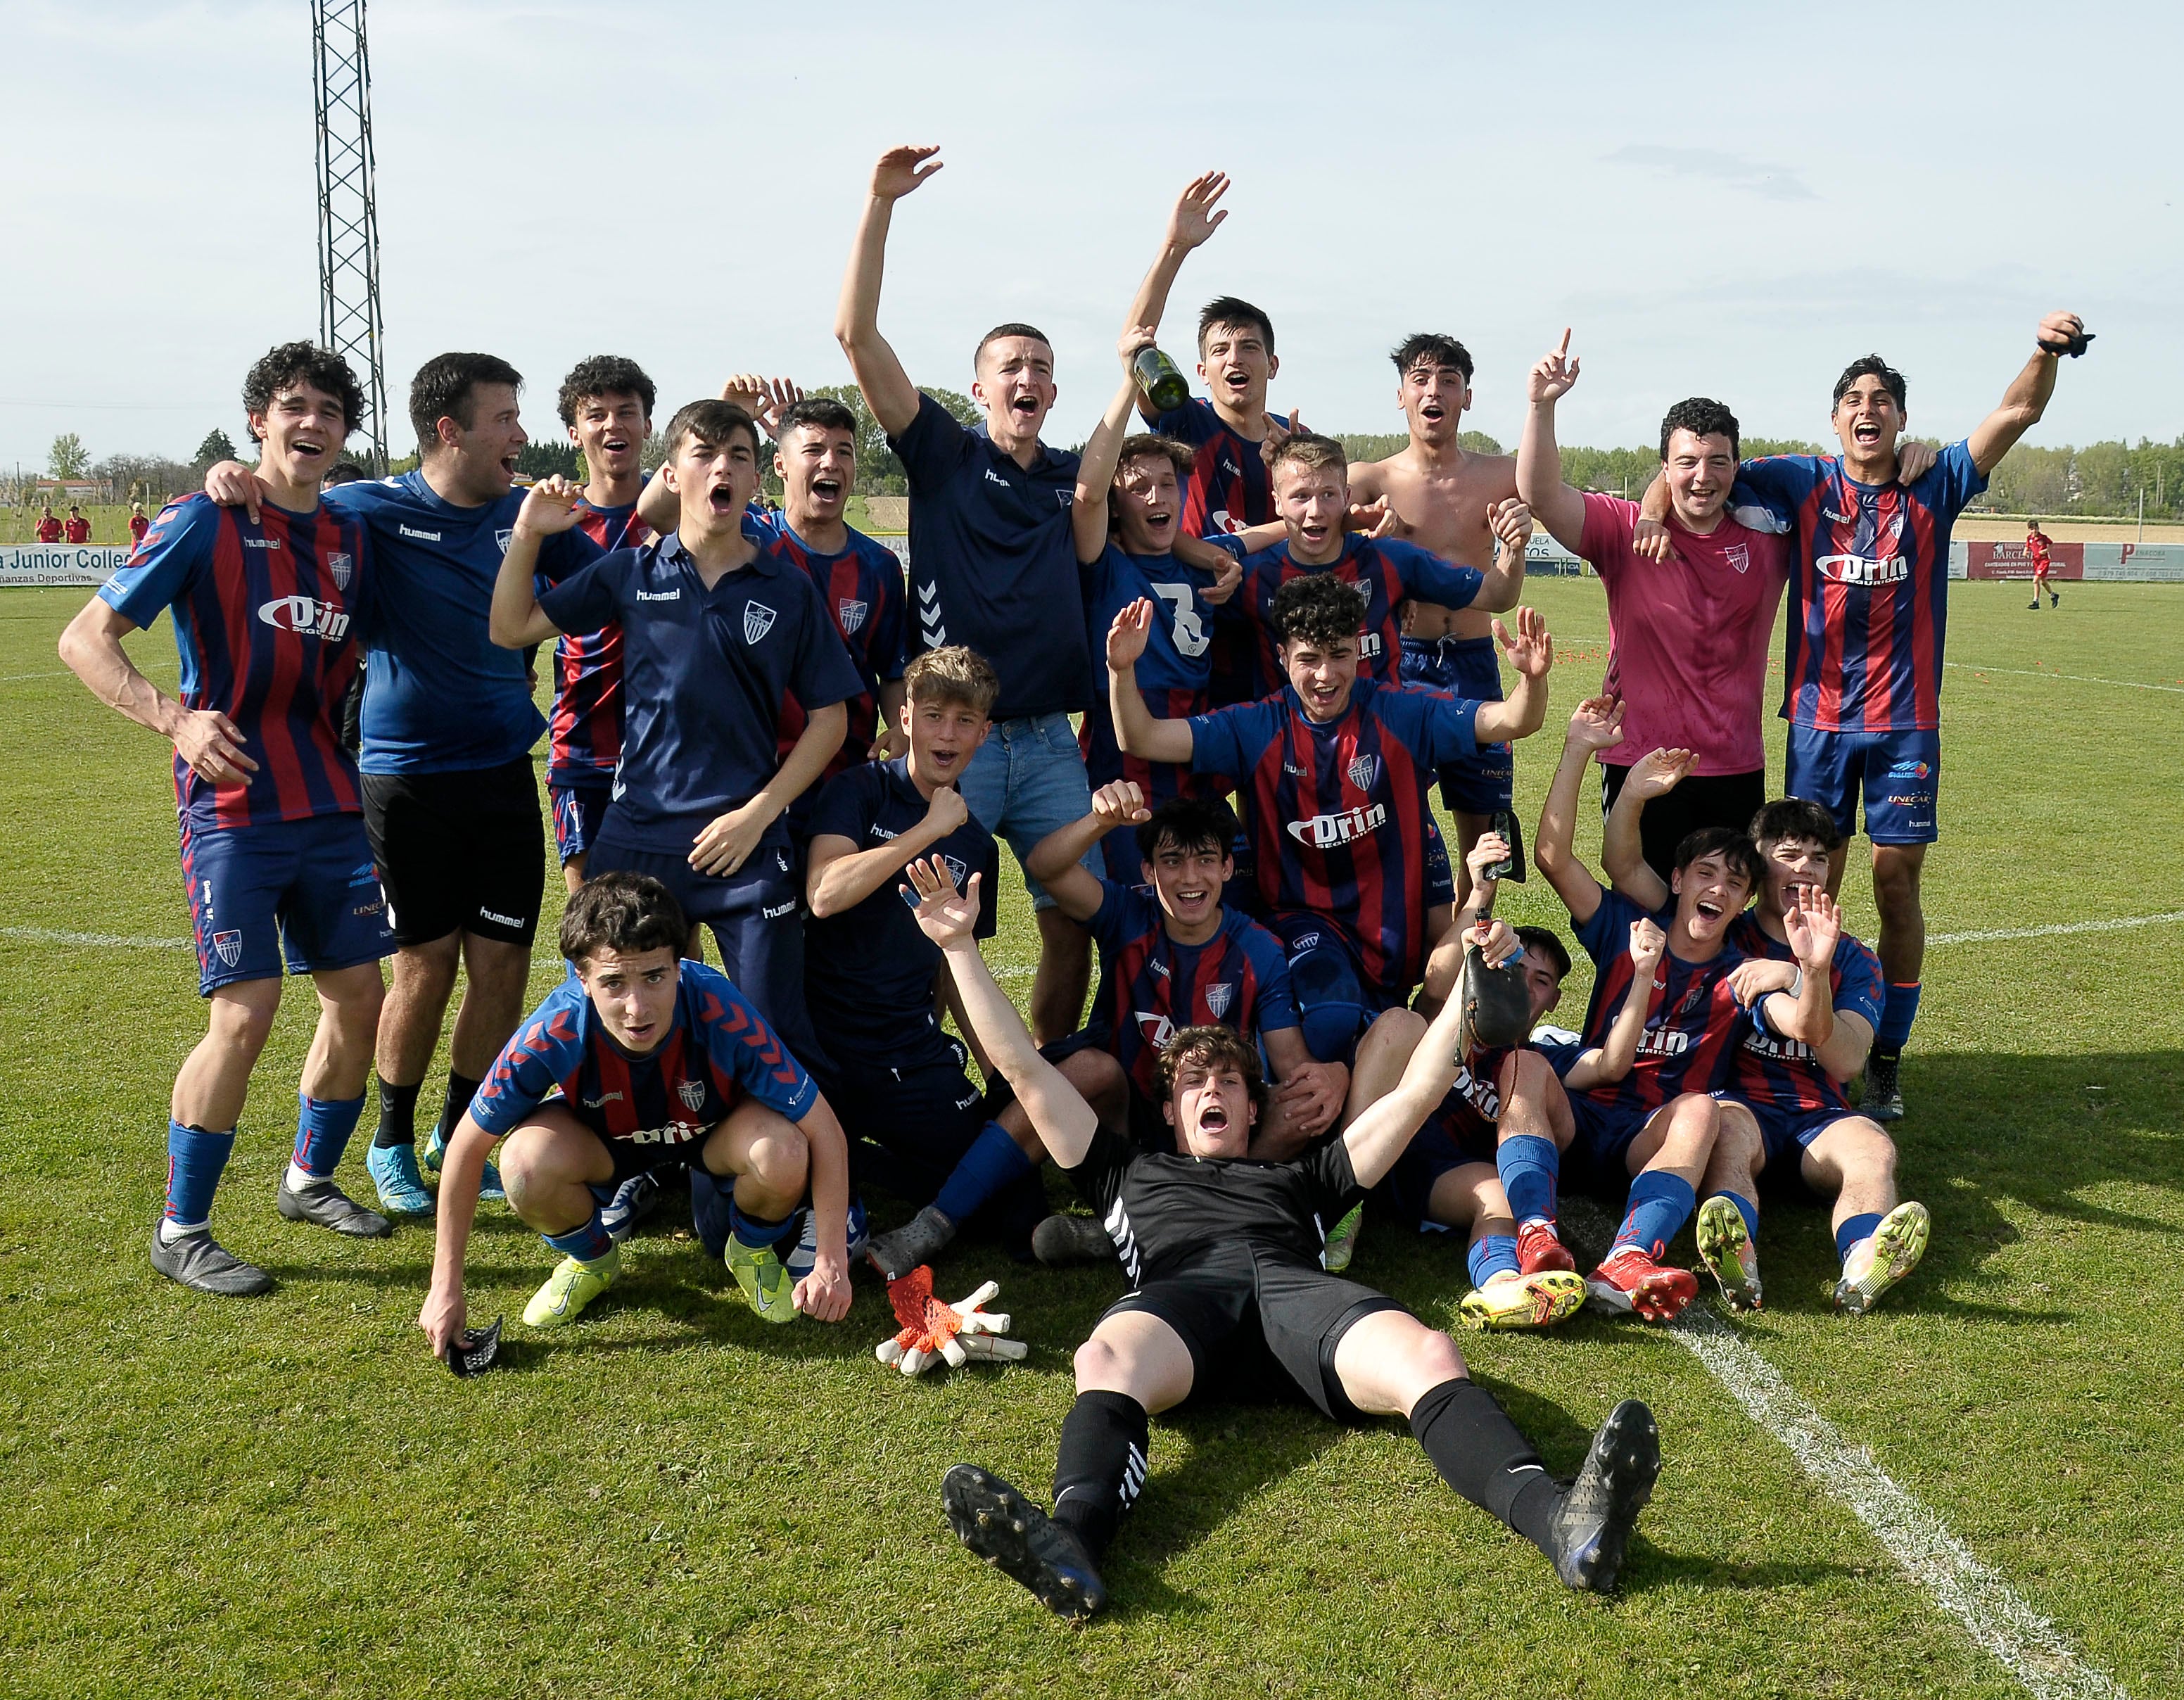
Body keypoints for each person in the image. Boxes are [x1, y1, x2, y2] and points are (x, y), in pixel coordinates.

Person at [904, 854, 1663, 1618]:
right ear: (1169, 1112)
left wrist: (1469, 976)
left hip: (1298, 1295)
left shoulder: (1305, 1178)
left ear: (1250, 1107)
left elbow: (1417, 1091)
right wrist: (960, 949)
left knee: (1429, 1353)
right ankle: (1070, 1542)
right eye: (1193, 1084)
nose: (1210, 1091)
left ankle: (1563, 1522)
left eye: (1228, 1082)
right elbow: (1027, 1073)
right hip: (1180, 1301)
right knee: (1103, 1357)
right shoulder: (1121, 1172)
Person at [1643, 311, 2088, 1121]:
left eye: (1882, 397)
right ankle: (1788, 1035)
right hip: (1816, 723)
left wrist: (2043, 350)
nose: (1867, 407)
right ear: (1835, 415)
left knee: (1893, 883)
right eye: (1853, 395)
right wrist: (1645, 511)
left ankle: (1881, 1056)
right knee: (1798, 884)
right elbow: (1691, 466)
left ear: (1899, 418)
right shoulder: (1799, 480)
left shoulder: (1935, 481)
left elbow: (2017, 412)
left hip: (1904, 725)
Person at [205, 352, 607, 1218]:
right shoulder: (372, 509)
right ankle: (390, 1138)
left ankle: (459, 1134)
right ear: (448, 430)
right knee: (422, 966)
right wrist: (230, 473)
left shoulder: (530, 516)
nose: (520, 434)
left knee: (500, 966)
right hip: (402, 779)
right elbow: (288, 499)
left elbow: (608, 561)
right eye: (503, 418)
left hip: (503, 772)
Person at [58, 340, 392, 1294]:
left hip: (330, 802)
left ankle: (309, 1179)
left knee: (358, 999)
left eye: (330, 410)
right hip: (235, 811)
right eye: (293, 406)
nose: (311, 423)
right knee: (245, 1012)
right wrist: (175, 719)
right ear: (259, 419)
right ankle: (183, 1227)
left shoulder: (351, 536)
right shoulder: (204, 519)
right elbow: (85, 640)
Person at [491, 401, 858, 1071]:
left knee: (772, 1032)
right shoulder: (632, 571)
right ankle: (639, 1159)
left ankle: (800, 1169)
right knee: (620, 1019)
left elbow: (830, 720)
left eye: (739, 456)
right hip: (638, 838)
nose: (722, 467)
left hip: (745, 840)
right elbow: (511, 628)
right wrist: (526, 534)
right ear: (672, 474)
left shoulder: (788, 588)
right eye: (704, 453)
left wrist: (759, 814)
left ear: (756, 483)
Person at [834, 142, 1098, 1045]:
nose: (1024, 379)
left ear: (1054, 391)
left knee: (1073, 919)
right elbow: (857, 339)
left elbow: (1162, 492)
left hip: (1052, 742)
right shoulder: (945, 458)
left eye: (1039, 368)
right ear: (978, 385)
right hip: (957, 738)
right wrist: (880, 204)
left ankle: (1044, 1072)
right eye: (1008, 367)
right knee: (931, 913)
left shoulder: (1074, 478)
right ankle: (950, 1069)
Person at [1110, 573, 1552, 1065]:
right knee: (1330, 1018)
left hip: (1389, 945)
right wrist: (1121, 672)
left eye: (1339, 655)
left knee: (1390, 1038)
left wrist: (1532, 680)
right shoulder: (1257, 727)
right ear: (1282, 658)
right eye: (1308, 659)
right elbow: (1142, 738)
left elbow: (1514, 720)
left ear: (1359, 654)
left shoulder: (1400, 716)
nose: (1326, 675)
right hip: (1304, 927)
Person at [416, 872, 856, 1347]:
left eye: (654, 977)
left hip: (713, 1135)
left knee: (785, 1149)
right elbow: (464, 1148)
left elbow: (824, 1130)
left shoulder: (719, 1009)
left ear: (680, 965)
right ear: (581, 978)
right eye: (613, 983)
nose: (636, 1007)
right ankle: (592, 1259)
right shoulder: (554, 1029)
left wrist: (830, 1259)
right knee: (522, 1164)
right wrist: (445, 1286)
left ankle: (749, 1251)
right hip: (606, 1141)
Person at [1604, 761, 1931, 1314]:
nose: (1806, 869)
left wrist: (1803, 973)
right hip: (1740, 1104)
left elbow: (1848, 1060)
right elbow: (1625, 867)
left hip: (1818, 1115)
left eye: (1820, 858)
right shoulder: (1723, 931)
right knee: (1726, 1137)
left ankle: (1863, 1262)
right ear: (1758, 868)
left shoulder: (1854, 958)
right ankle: (1739, 1260)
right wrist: (1633, 791)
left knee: (1874, 1148)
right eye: (1789, 855)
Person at [1534, 694, 1814, 1321]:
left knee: (1698, 1111)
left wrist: (1800, 973)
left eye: (1735, 883)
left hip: (1649, 1139)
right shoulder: (1627, 929)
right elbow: (1554, 859)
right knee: (1526, 1070)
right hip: (1579, 1117)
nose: (1718, 888)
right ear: (1680, 879)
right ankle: (1526, 1238)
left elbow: (1807, 1027)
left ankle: (1628, 1258)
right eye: (1707, 873)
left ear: (1744, 904)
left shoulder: (1743, 974)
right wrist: (1581, 752)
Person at [803, 645, 1043, 1280]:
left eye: (965, 721)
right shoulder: (855, 791)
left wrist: (996, 1070)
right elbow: (824, 895)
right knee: (737, 1207)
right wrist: (925, 831)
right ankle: (844, 1162)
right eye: (933, 714)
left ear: (985, 733)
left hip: (906, 1054)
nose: (947, 734)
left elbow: (953, 969)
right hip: (821, 1050)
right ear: (904, 716)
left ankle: (864, 1167)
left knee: (1015, 1201)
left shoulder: (975, 843)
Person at [1517, 331, 1791, 883]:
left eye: (1718, 461)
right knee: (1642, 912)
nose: (1703, 476)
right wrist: (1541, 406)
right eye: (1687, 461)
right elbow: (1541, 494)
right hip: (1637, 759)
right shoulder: (1624, 530)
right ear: (1664, 468)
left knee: (1721, 920)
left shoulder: (1770, 536)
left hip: (1735, 765)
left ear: (1738, 467)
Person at [1371, 832, 1663, 1331]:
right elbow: (1438, 980)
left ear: (1554, 1001)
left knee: (1497, 1194)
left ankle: (1507, 1285)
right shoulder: (1458, 1012)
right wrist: (1480, 896)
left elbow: (1612, 1064)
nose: (1527, 986)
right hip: (1402, 1153)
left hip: (1461, 1174)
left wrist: (1642, 975)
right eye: (1518, 970)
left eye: (1542, 981)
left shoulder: (1543, 1055)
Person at [1349, 334, 1528, 903]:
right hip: (1401, 665)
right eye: (1421, 379)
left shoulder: (1506, 474)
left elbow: (1590, 509)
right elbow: (1304, 507)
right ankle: (1402, 944)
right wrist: (1355, 522)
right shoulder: (1371, 479)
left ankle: (1468, 954)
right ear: (1400, 395)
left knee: (1485, 833)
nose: (1434, 390)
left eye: (1448, 380)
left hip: (1474, 665)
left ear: (1467, 397)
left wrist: (1650, 512)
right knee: (1385, 817)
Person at [1072, 329, 1243, 882]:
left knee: (1222, 888)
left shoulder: (1203, 562)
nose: (1156, 497)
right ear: (1118, 504)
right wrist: (1129, 379)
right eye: (1139, 486)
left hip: (1195, 746)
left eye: (1168, 484)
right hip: (1124, 749)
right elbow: (1089, 495)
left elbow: (1265, 537)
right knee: (1139, 894)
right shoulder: (1107, 562)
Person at [1218, 433, 1525, 704]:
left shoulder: (1390, 560)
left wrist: (1513, 548)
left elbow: (1496, 596)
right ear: (1277, 503)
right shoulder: (1251, 576)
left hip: (1380, 751)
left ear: (1347, 497)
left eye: (1328, 495)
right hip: (1287, 758)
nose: (1315, 511)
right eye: (1301, 497)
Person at [1119, 172, 1290, 540]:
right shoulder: (1189, 421)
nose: (1234, 359)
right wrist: (1174, 248)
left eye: (1249, 347)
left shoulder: (1292, 437)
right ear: (1202, 371)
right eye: (1220, 351)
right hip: (1203, 593)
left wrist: (1292, 464)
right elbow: (1135, 347)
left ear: (1272, 365)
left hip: (1273, 594)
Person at [545, 354, 658, 893]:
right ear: (574, 433)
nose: (613, 424)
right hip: (584, 747)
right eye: (596, 414)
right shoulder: (552, 520)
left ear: (648, 426)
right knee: (591, 911)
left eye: (626, 412)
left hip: (669, 750)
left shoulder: (682, 514)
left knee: (672, 915)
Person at [2026, 519, 2058, 609]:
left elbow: (2051, 544)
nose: (2034, 531)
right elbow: (2027, 546)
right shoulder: (2029, 538)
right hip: (2036, 561)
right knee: (2043, 581)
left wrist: (2046, 550)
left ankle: (2036, 602)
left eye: (2036, 529)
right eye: (2032, 529)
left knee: (2035, 581)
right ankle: (2053, 596)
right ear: (2029, 530)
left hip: (2044, 561)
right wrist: (2025, 552)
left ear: (2038, 529)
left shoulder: (2043, 537)